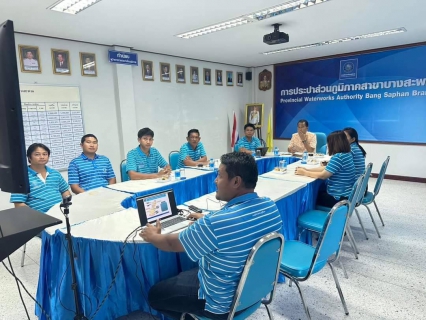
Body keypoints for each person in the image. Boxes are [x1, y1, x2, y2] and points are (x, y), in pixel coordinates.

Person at [140, 152, 282, 320]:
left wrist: (152, 236)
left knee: (154, 295)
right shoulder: (271, 207)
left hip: (219, 304)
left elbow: (171, 244)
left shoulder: (216, 223)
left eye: (219, 176)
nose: (215, 181)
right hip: (254, 292)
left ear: (236, 181)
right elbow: (236, 222)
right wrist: (206, 220)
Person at [295, 131, 356, 208]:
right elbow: (326, 168)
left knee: (308, 197)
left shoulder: (338, 157)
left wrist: (304, 173)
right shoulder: (346, 154)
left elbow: (323, 175)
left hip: (338, 199)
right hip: (346, 195)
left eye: (328, 143)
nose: (327, 145)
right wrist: (307, 169)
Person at [10, 143, 71, 213]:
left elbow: (65, 191)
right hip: (38, 219)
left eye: (45, 154)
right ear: (29, 157)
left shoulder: (55, 173)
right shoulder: (21, 177)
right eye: (37, 154)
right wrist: (38, 217)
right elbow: (19, 204)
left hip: (61, 213)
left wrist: (67, 205)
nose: (42, 157)